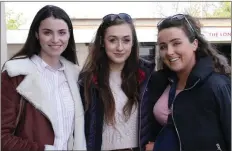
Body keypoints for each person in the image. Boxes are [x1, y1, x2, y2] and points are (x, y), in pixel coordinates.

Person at [1, 5, 86, 150]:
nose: (55, 39)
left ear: (69, 35)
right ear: (36, 34)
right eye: (47, 32)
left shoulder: (77, 76)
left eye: (61, 32)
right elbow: (2, 137)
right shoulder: (15, 74)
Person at [145, 14, 231, 151]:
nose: (169, 52)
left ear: (194, 44)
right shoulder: (162, 82)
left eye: (176, 43)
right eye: (163, 46)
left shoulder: (217, 85)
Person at [78, 13, 155, 151]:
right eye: (112, 40)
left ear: (133, 42)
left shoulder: (147, 76)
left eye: (126, 40)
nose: (120, 48)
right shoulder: (87, 80)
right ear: (102, 42)